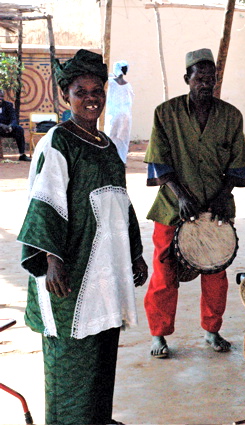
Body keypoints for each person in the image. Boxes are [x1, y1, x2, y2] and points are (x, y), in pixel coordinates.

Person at [17, 49, 148, 424]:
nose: (91, 98)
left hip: (105, 275)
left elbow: (120, 204)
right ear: (66, 96)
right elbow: (45, 199)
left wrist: (134, 254)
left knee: (101, 357)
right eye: (80, 91)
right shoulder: (58, 141)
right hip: (69, 277)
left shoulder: (107, 147)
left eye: (97, 90)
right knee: (70, 365)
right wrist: (51, 260)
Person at [143, 48, 245, 358]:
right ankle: (159, 335)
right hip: (172, 208)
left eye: (211, 79)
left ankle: (212, 330)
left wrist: (220, 197)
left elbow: (237, 166)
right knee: (164, 273)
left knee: (216, 274)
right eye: (199, 78)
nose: (206, 84)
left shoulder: (231, 116)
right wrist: (182, 197)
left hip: (216, 210)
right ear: (187, 79)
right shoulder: (165, 113)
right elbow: (158, 164)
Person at [105, 60, 134, 163]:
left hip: (112, 114)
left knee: (109, 137)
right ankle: (121, 160)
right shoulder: (128, 85)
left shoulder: (111, 83)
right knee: (123, 139)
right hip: (126, 115)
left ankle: (109, 160)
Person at [0, 89, 30, 161]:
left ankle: (22, 155)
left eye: (1, 96)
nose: (0, 98)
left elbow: (13, 118)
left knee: (19, 129)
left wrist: (11, 126)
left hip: (7, 129)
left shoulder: (8, 105)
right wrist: (1, 125)